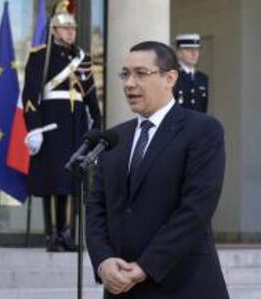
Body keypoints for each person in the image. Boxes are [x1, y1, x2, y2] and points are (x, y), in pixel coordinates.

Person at [86, 41, 229, 299]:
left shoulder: (202, 131)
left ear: (170, 78)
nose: (129, 83)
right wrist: (104, 261)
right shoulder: (114, 138)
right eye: (125, 74)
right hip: (122, 288)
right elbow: (97, 208)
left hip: (183, 285)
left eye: (141, 73)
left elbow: (196, 209)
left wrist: (145, 266)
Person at [22, 0, 101, 252]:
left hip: (75, 126)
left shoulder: (82, 59)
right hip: (51, 125)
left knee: (71, 181)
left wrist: (97, 125)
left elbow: (90, 97)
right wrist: (33, 128)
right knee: (53, 180)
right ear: (54, 30)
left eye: (73, 29)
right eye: (65, 28)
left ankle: (67, 234)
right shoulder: (40, 56)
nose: (70, 32)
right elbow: (30, 96)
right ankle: (53, 235)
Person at [173, 33, 209, 113]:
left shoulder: (202, 78)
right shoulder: (172, 75)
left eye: (197, 50)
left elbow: (203, 108)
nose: (194, 54)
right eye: (189, 50)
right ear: (179, 52)